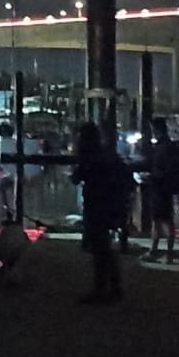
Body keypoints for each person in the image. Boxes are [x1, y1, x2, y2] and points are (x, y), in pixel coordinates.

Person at [72, 122, 129, 303]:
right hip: (108, 205)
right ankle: (113, 286)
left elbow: (77, 177)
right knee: (104, 248)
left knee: (100, 249)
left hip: (95, 205)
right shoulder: (106, 155)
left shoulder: (89, 157)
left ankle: (101, 289)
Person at [145, 117, 179, 262]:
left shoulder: (163, 147)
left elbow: (165, 169)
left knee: (161, 220)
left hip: (161, 188)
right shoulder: (167, 145)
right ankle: (165, 252)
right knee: (162, 220)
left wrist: (152, 177)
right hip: (164, 188)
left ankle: (159, 251)